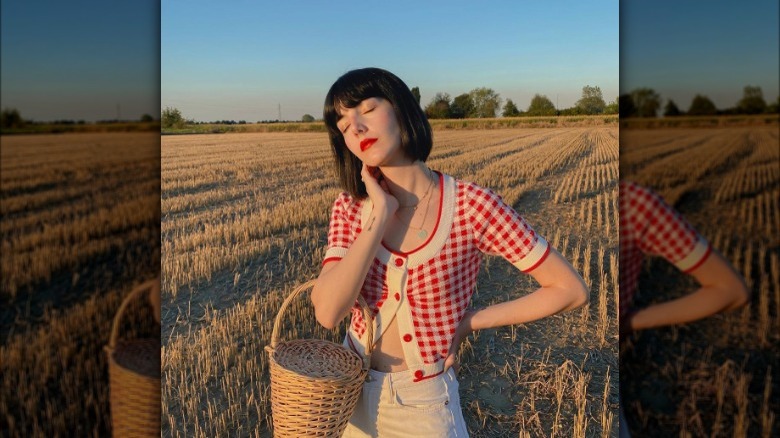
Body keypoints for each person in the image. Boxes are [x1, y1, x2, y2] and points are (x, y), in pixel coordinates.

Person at [310, 67, 589, 437]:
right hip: (351, 397)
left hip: (423, 406)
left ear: (401, 108)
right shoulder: (350, 207)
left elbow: (570, 290)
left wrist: (469, 322)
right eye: (344, 125)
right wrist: (380, 217)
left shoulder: (472, 206)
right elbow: (328, 312)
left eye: (367, 109)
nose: (357, 128)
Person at [618, 180, 750, 437]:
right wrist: (630, 321)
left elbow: (732, 291)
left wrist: (630, 321)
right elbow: (731, 290)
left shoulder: (634, 205)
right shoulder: (632, 203)